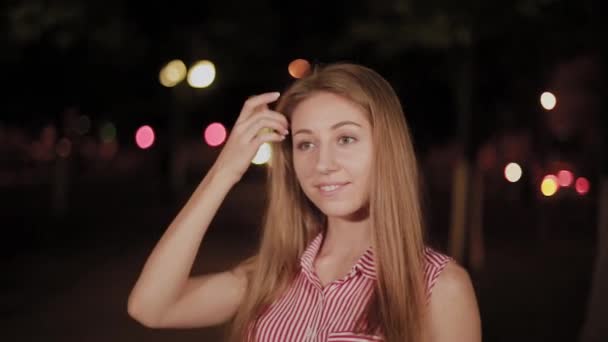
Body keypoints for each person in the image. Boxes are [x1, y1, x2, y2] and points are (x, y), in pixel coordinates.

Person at [127, 63, 481, 341]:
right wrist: (224, 171)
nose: (323, 164)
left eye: (345, 138)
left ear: (387, 147)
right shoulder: (272, 276)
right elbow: (151, 307)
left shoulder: (437, 287)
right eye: (306, 144)